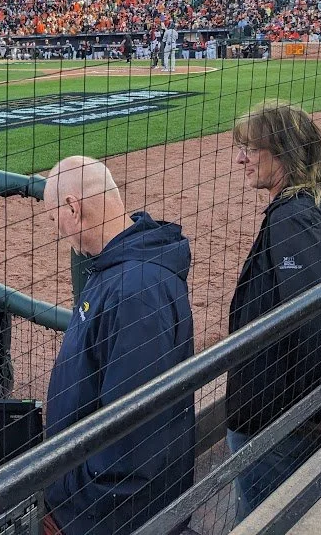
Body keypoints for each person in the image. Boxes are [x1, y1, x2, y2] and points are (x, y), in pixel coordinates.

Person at [42, 156, 195, 535]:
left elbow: (131, 439)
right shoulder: (118, 266)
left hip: (112, 517)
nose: (55, 228)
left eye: (52, 217)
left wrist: (78, 508)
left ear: (73, 208)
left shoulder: (134, 290)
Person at [226, 104, 321, 523]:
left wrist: (319, 415)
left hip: (278, 424)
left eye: (251, 149)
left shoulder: (293, 218)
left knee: (264, 521)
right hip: (290, 416)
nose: (240, 159)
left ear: (285, 154)